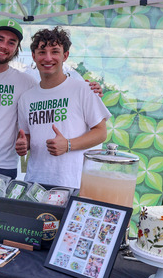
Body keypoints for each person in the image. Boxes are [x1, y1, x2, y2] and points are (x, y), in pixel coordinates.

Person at [0, 19, 103, 179]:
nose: (4, 46)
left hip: (3, 168)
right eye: (0, 39)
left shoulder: (26, 83)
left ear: (16, 49)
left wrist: (90, 89)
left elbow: (54, 89)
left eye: (11, 42)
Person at [15, 27, 111, 188]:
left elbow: (101, 133)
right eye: (42, 52)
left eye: (55, 51)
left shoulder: (83, 90)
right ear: (33, 56)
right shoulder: (26, 98)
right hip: (35, 184)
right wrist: (23, 145)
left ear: (65, 55)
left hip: (72, 184)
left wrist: (68, 145)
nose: (48, 58)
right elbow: (29, 137)